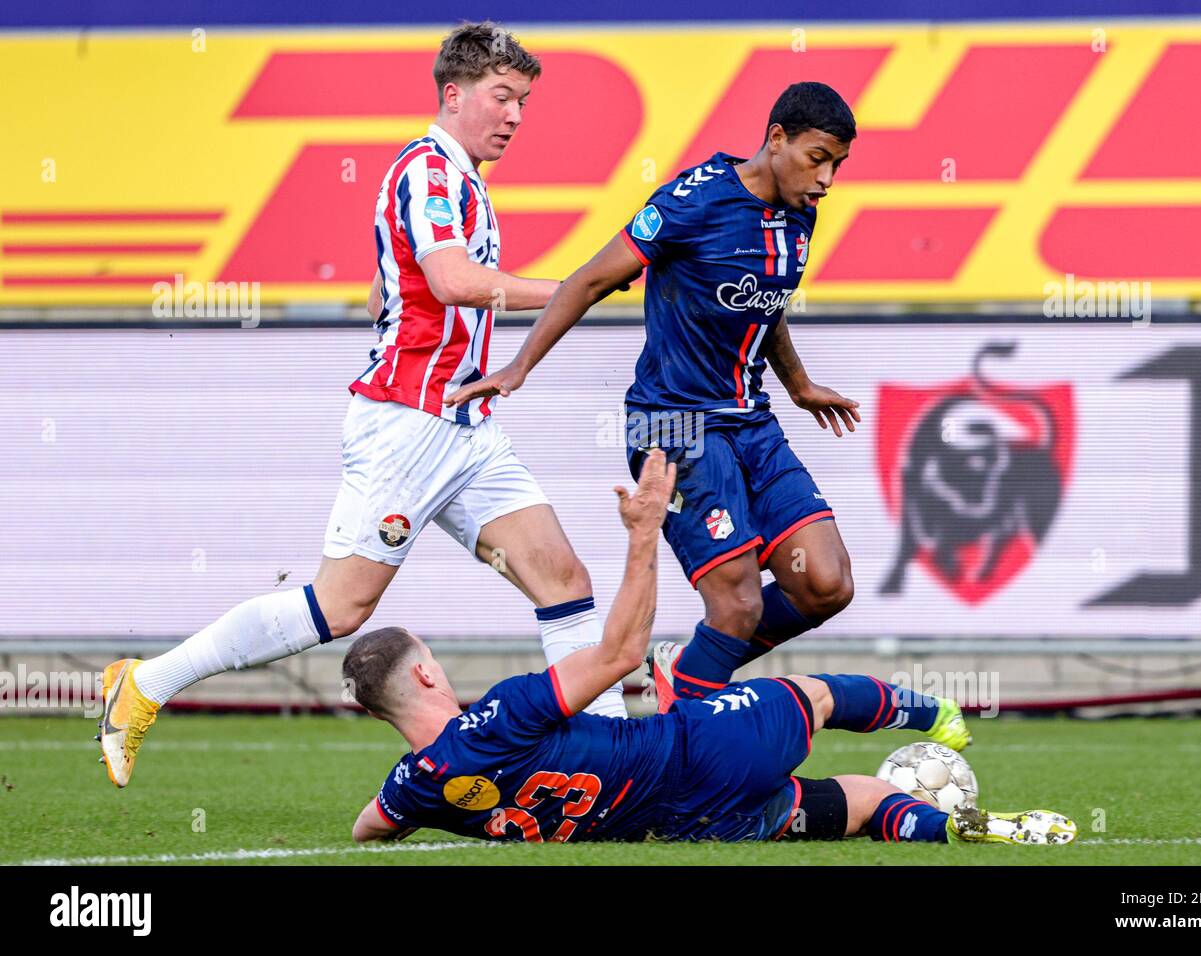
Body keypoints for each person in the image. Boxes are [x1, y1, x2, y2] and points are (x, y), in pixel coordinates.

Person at [98, 22, 627, 789]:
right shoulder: (429, 170)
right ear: (455, 94)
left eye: (524, 101)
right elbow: (451, 280)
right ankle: (146, 683)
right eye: (502, 96)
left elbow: (392, 286)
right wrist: (583, 286)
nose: (516, 115)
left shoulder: (457, 178)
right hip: (411, 425)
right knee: (339, 607)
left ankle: (610, 762)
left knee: (562, 577)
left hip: (464, 424)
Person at [347, 450, 1077, 847]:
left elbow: (368, 828)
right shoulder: (501, 714)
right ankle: (937, 716)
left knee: (856, 806)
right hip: (700, 751)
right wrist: (643, 532)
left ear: (383, 713)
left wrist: (413, 798)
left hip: (694, 824)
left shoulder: (414, 788)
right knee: (813, 696)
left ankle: (958, 828)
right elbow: (617, 652)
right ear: (426, 671)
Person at [448, 82, 866, 714]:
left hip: (752, 422)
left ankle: (688, 669)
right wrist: (518, 366)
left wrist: (798, 384)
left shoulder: (798, 209)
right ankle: (684, 739)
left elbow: (765, 301)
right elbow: (590, 280)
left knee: (827, 586)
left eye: (837, 164)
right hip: (673, 428)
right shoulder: (690, 203)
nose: (827, 178)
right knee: (738, 604)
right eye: (818, 158)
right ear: (776, 139)